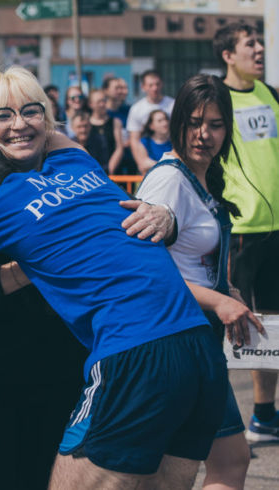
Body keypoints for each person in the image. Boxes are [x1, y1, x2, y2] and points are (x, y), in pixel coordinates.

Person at [0, 66, 176, 490]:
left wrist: (162, 214)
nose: (19, 124)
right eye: (2, 115)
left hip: (66, 371)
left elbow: (112, 224)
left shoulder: (66, 169)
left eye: (31, 111)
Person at [137, 73, 265, 490]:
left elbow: (193, 255)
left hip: (198, 340)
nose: (203, 134)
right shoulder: (168, 179)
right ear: (176, 123)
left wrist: (224, 292)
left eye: (214, 124)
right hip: (171, 342)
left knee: (230, 459)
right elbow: (149, 271)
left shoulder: (206, 175)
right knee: (175, 472)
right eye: (193, 122)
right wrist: (218, 302)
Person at [213, 21, 279, 443]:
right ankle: (224, 425)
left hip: (277, 229)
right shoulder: (215, 99)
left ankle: (265, 417)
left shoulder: (270, 94)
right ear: (228, 55)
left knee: (273, 324)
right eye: (249, 44)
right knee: (239, 327)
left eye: (260, 42)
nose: (259, 49)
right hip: (241, 230)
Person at [127, 70, 175, 174]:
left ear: (161, 84)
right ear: (143, 87)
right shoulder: (136, 109)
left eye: (157, 84)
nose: (155, 88)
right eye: (150, 85)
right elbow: (134, 139)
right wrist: (141, 163)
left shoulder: (173, 105)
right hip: (148, 163)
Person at [87, 89, 124, 174]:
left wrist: (110, 169)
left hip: (113, 171)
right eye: (99, 102)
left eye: (104, 101)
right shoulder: (86, 123)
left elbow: (119, 147)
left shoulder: (115, 122)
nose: (102, 104)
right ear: (90, 104)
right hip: (93, 171)